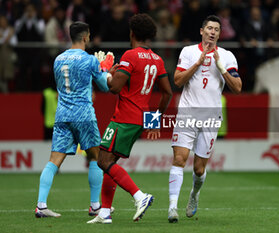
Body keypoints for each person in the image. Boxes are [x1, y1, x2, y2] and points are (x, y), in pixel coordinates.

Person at [87, 13, 172, 224]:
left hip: (124, 117)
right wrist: (153, 122)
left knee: (102, 160)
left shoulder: (130, 55)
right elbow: (168, 93)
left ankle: (140, 196)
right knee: (111, 161)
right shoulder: (157, 59)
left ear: (132, 33)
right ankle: (105, 212)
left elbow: (114, 88)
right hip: (140, 118)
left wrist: (105, 71)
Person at [35, 21, 115, 218]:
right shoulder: (89, 60)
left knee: (54, 160)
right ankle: (95, 205)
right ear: (86, 37)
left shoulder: (58, 59)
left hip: (62, 114)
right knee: (95, 157)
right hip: (84, 115)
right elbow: (105, 87)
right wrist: (105, 69)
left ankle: (41, 205)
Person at [168, 15, 242, 223]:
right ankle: (172, 207)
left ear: (219, 34)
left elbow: (237, 88)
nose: (212, 32)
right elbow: (177, 80)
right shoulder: (189, 52)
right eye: (209, 28)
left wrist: (220, 67)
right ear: (202, 31)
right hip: (187, 113)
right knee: (179, 159)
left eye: (216, 29)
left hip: (210, 117)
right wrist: (198, 63)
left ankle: (194, 194)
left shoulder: (227, 56)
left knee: (199, 169)